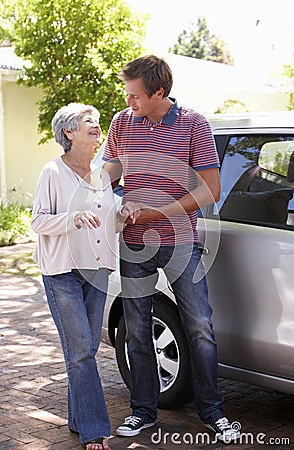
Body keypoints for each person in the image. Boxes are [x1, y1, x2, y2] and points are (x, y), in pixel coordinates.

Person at [102, 55, 240, 443]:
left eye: (135, 97)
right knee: (138, 329)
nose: (129, 103)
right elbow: (110, 172)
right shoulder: (122, 122)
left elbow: (210, 189)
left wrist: (155, 214)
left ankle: (213, 413)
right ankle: (143, 411)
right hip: (133, 244)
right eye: (127, 95)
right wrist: (85, 178)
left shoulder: (193, 124)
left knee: (200, 327)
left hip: (181, 242)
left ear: (159, 92)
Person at [31, 102, 137, 450]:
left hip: (96, 269)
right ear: (68, 133)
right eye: (86, 121)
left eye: (96, 120)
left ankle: (78, 418)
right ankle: (94, 430)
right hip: (62, 272)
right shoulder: (52, 171)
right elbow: (38, 221)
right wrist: (71, 218)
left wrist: (124, 213)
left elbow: (107, 221)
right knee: (80, 351)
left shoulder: (102, 175)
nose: (96, 124)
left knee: (87, 348)